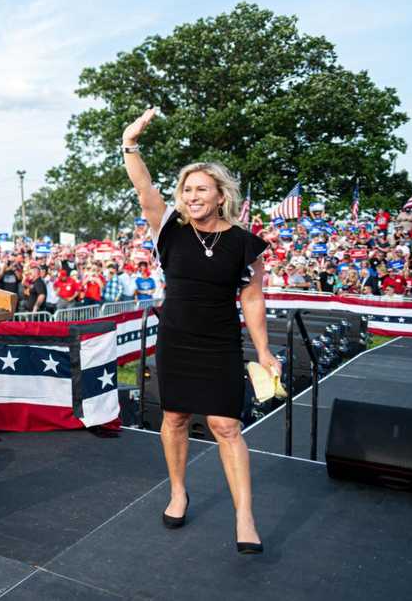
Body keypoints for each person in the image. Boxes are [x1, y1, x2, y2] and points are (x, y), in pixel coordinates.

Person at [123, 107, 276, 554]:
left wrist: (263, 352)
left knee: (226, 425)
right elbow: (142, 186)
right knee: (174, 417)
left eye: (201, 189)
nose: (192, 196)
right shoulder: (169, 229)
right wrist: (130, 142)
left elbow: (253, 298)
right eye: (187, 189)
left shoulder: (245, 243)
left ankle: (244, 516)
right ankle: (177, 490)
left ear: (220, 195)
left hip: (220, 343)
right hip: (176, 339)